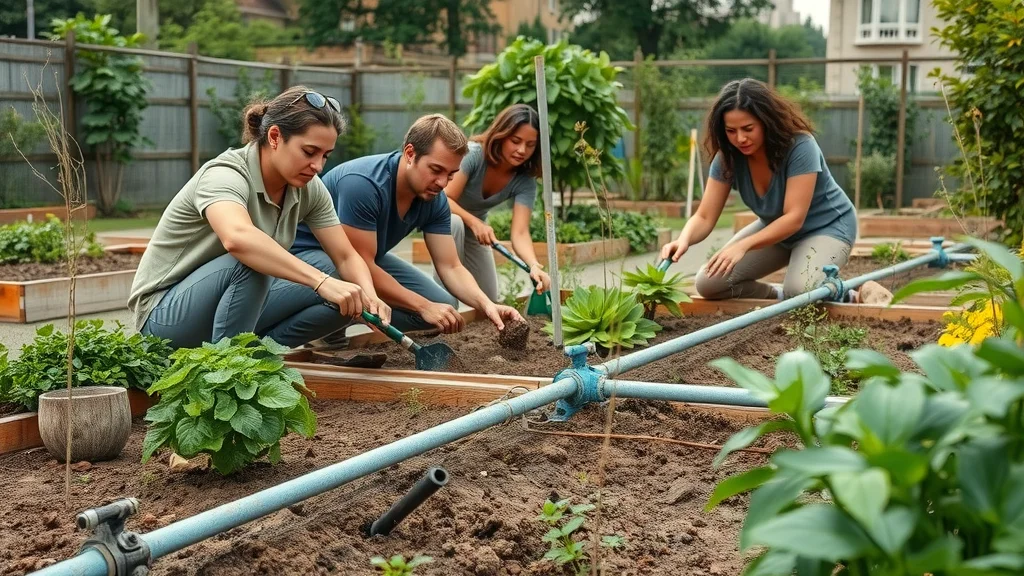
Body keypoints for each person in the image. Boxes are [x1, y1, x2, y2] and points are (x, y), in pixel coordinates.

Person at [128, 86, 390, 350]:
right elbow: (238, 239)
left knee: (346, 289)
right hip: (163, 318)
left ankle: (261, 355)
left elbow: (345, 256)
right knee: (254, 262)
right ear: (275, 137)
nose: (318, 166)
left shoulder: (309, 187)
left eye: (325, 155)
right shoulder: (225, 175)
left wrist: (368, 295)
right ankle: (228, 371)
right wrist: (320, 282)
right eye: (309, 152)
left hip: (231, 304)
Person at [290, 113, 523, 336]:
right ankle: (334, 322)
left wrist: (487, 304)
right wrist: (422, 306)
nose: (443, 182)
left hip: (361, 260)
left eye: (451, 175)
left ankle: (351, 315)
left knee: (444, 306)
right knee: (366, 288)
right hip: (308, 258)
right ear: (410, 154)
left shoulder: (434, 198)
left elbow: (451, 266)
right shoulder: (364, 184)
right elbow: (358, 264)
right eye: (436, 170)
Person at [660, 78, 867, 302]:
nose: (740, 138)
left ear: (766, 121)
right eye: (731, 131)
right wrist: (684, 239)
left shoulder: (800, 146)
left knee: (800, 290)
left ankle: (852, 293)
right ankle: (777, 294)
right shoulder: (727, 159)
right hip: (776, 230)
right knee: (710, 283)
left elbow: (794, 218)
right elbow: (704, 216)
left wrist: (743, 245)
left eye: (748, 128)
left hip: (828, 227)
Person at [434, 103, 551, 301]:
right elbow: (443, 198)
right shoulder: (473, 155)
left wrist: (533, 265)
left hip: (475, 228)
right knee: (454, 223)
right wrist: (475, 223)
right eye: (516, 141)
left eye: (530, 145)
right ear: (502, 135)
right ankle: (440, 303)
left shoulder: (525, 180)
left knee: (489, 298)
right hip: (443, 219)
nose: (522, 150)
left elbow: (520, 232)